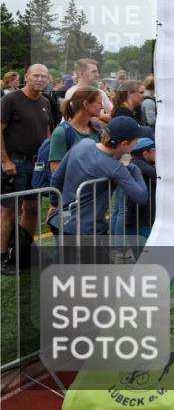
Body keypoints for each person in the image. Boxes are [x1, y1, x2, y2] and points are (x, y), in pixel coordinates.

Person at [49, 117, 148, 237]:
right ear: (124, 144)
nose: (137, 143)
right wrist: (135, 169)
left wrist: (55, 203)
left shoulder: (84, 143)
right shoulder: (115, 168)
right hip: (88, 230)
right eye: (136, 141)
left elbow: (57, 178)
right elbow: (141, 196)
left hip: (61, 222)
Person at [0, 64, 52, 274]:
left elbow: (48, 133)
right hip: (16, 162)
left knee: (31, 210)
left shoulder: (45, 102)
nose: (40, 79)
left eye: (44, 76)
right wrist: (5, 161)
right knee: (9, 211)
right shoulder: (10, 100)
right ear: (27, 77)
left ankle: (23, 252)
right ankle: (3, 256)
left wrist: (48, 160)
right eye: (36, 75)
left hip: (38, 165)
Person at [44, 87, 105, 230]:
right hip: (70, 200)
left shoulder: (96, 129)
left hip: (92, 198)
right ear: (86, 104)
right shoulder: (62, 132)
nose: (102, 106)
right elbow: (56, 169)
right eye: (99, 103)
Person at [125, 137, 156, 248]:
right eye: (154, 150)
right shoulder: (137, 165)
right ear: (146, 153)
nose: (157, 153)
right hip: (139, 222)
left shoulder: (138, 163)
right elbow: (155, 173)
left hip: (142, 219)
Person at [65, 58, 113, 124]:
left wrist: (98, 116)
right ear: (81, 73)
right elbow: (81, 120)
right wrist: (101, 118)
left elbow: (113, 114)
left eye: (97, 71)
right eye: (93, 71)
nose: (97, 74)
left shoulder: (100, 92)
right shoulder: (73, 92)